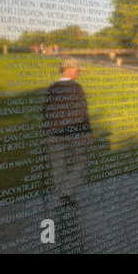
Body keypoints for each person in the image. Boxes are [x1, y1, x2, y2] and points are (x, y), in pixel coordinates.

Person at [42, 58, 92, 252]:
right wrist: (86, 132)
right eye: (77, 69)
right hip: (75, 133)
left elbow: (46, 112)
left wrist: (46, 132)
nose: (79, 72)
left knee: (59, 167)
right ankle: (67, 193)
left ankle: (60, 198)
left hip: (53, 134)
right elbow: (83, 111)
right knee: (82, 160)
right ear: (69, 69)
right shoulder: (76, 88)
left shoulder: (52, 88)